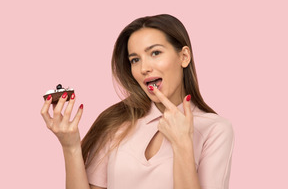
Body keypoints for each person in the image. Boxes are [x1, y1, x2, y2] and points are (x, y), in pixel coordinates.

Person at [41, 14, 234, 189]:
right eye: (135, 60)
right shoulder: (118, 123)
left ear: (184, 57)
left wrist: (183, 143)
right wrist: (70, 146)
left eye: (155, 53)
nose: (144, 68)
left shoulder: (215, 130)